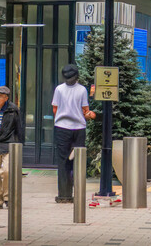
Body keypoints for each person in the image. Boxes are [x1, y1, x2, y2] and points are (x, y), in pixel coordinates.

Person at [51, 65, 94, 203]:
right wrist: (89, 115)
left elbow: (55, 108)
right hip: (79, 128)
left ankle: (64, 194)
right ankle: (79, 193)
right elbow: (85, 110)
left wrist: (61, 118)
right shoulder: (82, 90)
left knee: (63, 162)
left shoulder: (59, 89)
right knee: (78, 161)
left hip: (61, 128)